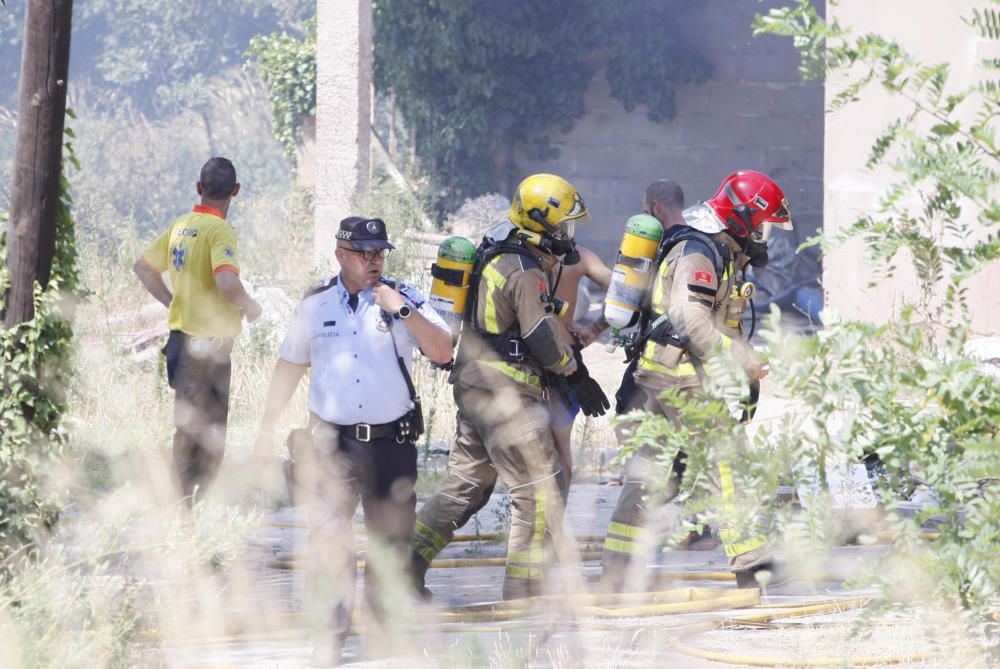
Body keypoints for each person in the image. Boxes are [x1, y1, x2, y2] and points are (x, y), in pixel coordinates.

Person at [254, 216, 451, 665]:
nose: (374, 261)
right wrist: (266, 428)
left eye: (380, 253)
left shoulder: (405, 299)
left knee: (388, 546)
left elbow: (443, 350)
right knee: (328, 540)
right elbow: (289, 366)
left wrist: (400, 308)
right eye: (364, 253)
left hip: (390, 446)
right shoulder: (315, 304)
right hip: (329, 445)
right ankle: (329, 638)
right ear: (341, 255)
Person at [410, 174, 610, 600]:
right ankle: (523, 596)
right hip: (508, 397)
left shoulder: (495, 251)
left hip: (475, 386)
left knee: (465, 486)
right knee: (539, 496)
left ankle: (403, 569)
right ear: (542, 223)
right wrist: (576, 375)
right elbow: (539, 334)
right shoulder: (523, 269)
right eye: (563, 226)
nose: (567, 236)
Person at [599, 170, 792, 592]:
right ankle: (750, 561)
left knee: (652, 481)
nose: (763, 235)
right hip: (676, 374)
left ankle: (615, 574)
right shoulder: (699, 252)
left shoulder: (725, 254)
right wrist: (740, 361)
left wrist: (746, 384)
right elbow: (689, 317)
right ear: (741, 217)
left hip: (661, 375)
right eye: (760, 225)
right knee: (729, 460)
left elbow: (728, 324)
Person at [133, 156, 262, 501]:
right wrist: (250, 306)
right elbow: (226, 281)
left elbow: (143, 267)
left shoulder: (181, 226)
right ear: (235, 191)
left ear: (198, 188)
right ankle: (189, 512)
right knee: (207, 436)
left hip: (179, 346)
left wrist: (172, 302)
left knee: (188, 430)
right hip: (207, 351)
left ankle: (184, 512)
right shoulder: (219, 230)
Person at [549, 246, 612, 492]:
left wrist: (595, 329)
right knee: (560, 451)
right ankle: (554, 526)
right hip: (567, 362)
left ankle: (537, 525)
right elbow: (627, 295)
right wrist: (595, 328)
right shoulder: (582, 257)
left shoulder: (516, 254)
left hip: (527, 358)